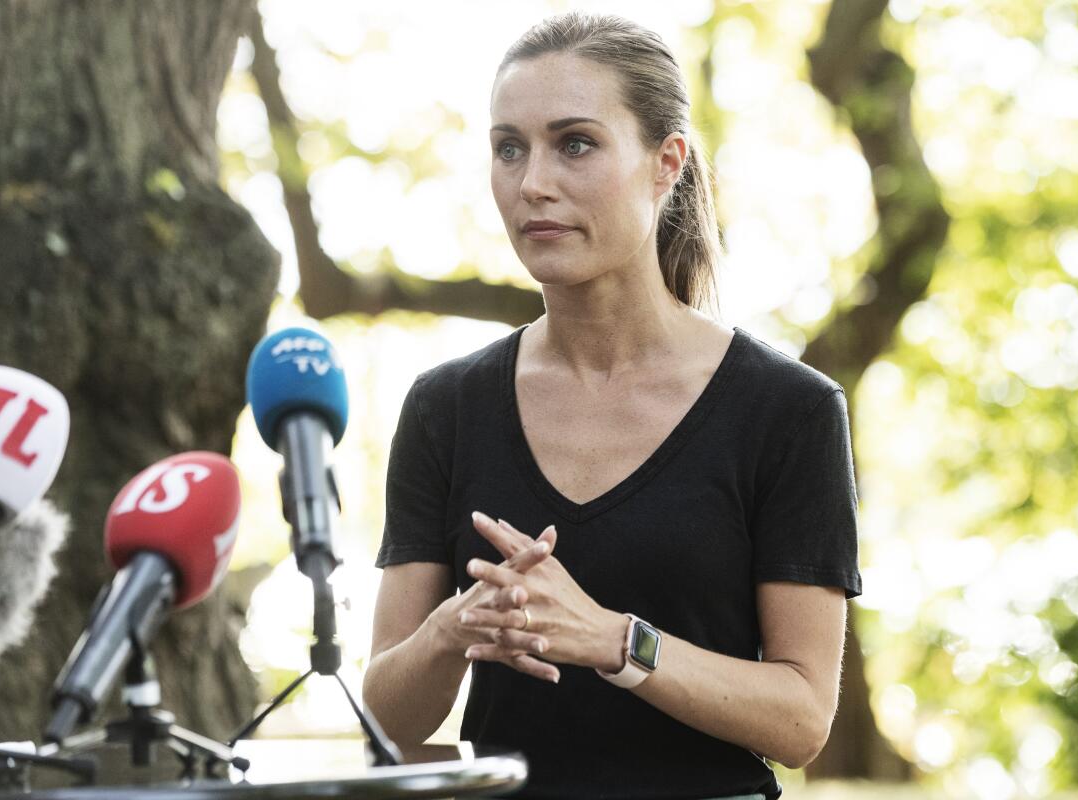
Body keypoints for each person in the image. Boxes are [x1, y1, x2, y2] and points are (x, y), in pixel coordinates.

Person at [363, 11, 862, 800]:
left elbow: (801, 719)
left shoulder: (787, 410)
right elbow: (387, 722)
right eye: (508, 148)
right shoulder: (444, 408)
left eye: (576, 143)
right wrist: (454, 628)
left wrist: (612, 640)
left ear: (666, 163)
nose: (533, 184)